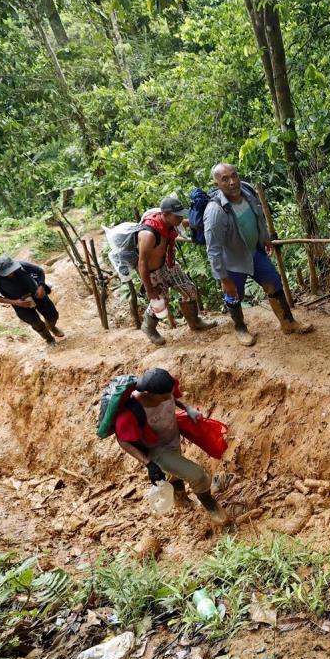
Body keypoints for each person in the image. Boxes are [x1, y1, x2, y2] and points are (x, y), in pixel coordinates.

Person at [203, 163, 313, 345]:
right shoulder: (215, 211)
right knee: (233, 295)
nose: (232, 182)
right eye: (225, 179)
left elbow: (258, 216)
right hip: (233, 262)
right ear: (217, 185)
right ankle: (240, 329)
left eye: (234, 175)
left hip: (255, 252)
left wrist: (264, 238)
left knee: (273, 282)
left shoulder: (247, 192)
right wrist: (224, 279)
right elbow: (213, 249)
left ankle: (288, 322)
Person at [113, 367, 230, 530]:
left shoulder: (165, 391)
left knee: (175, 473)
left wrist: (186, 408)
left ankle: (181, 499)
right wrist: (148, 464)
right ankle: (212, 508)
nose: (171, 395)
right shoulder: (131, 412)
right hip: (157, 450)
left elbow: (173, 398)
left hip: (172, 438)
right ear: (149, 393)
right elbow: (123, 441)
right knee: (199, 476)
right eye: (165, 394)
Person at [138, 196, 217, 345]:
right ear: (165, 214)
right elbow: (142, 263)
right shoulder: (148, 234)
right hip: (152, 271)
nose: (181, 218)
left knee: (189, 290)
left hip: (169, 264)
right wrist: (149, 288)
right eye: (177, 215)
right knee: (160, 301)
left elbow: (185, 224)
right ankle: (149, 327)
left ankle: (194, 322)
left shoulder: (172, 223)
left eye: (182, 214)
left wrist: (202, 222)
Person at [0, 255, 63, 346]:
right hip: (19, 303)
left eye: (12, 270)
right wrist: (16, 302)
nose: (11, 274)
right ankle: (49, 339)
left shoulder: (22, 265)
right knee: (36, 324)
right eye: (7, 273)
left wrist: (41, 286)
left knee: (53, 315)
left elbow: (39, 271)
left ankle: (52, 327)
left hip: (37, 294)